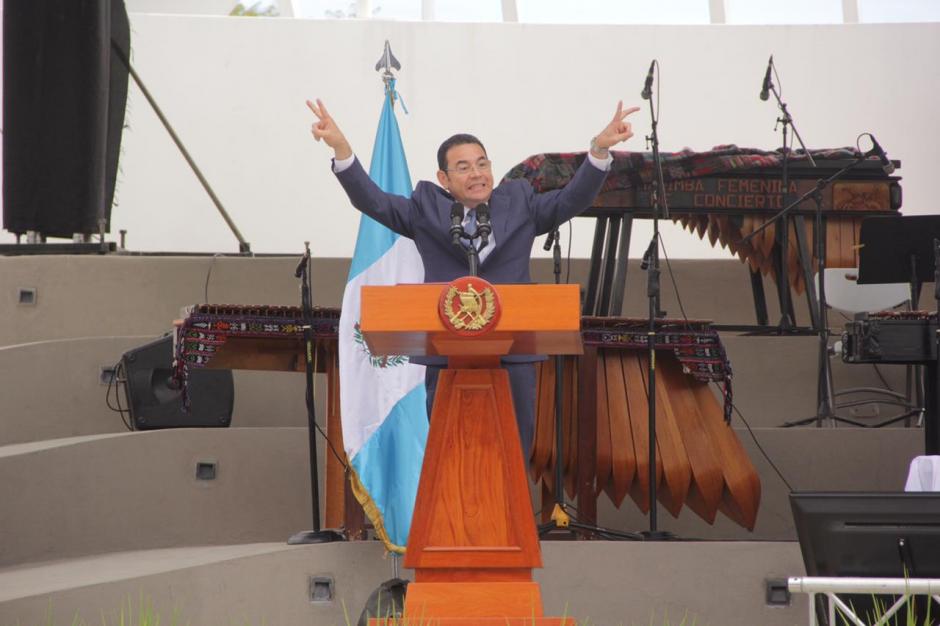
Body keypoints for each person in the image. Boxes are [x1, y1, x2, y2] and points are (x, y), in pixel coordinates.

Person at [307, 98, 639, 457]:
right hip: (446, 357)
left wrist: (599, 151)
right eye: (463, 167)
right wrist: (341, 149)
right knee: (451, 456)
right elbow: (373, 201)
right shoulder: (426, 208)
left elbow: (571, 199)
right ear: (444, 179)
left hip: (514, 355)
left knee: (512, 453)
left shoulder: (519, 202)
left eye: (482, 164)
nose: (477, 173)